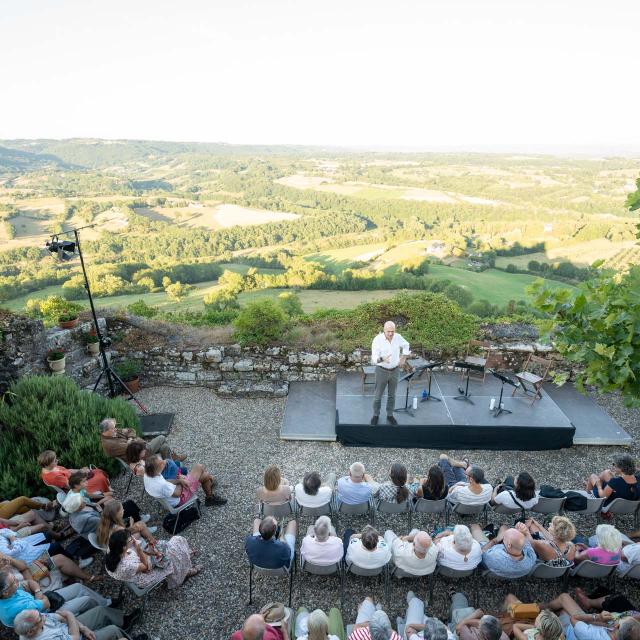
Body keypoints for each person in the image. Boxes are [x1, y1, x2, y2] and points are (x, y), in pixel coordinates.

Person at [0, 569, 113, 627]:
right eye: (14, 582)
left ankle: (106, 604)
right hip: (48, 616)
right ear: (5, 592)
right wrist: (38, 592)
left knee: (78, 587)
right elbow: (47, 604)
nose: (17, 582)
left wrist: (38, 593)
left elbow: (30, 582)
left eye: (15, 579)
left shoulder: (9, 592)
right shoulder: (16, 607)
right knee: (86, 600)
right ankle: (104, 616)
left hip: (43, 601)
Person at [105, 528, 200, 589]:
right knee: (172, 552)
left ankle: (184, 556)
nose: (134, 539)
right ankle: (184, 573)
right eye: (130, 539)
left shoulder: (112, 550)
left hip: (137, 568)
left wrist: (148, 552)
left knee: (169, 547)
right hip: (145, 577)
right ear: (123, 547)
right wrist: (138, 549)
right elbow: (146, 567)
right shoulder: (126, 566)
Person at [545, 592, 640, 640]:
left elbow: (574, 618)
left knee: (564, 599)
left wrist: (597, 617)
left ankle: (539, 608)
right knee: (562, 608)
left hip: (572, 631)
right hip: (586, 628)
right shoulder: (621, 633)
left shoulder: (593, 635)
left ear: (617, 626)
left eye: (621, 618)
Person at [13, 606, 148, 640]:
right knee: (112, 630)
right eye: (40, 619)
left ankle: (124, 622)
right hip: (75, 636)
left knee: (100, 611)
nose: (44, 616)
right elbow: (74, 638)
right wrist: (70, 615)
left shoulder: (34, 618)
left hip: (71, 628)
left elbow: (61, 618)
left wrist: (83, 627)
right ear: (31, 631)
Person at [143, 454, 226, 508]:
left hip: (172, 494)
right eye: (162, 463)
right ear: (158, 469)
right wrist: (180, 480)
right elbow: (177, 494)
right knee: (200, 467)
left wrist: (179, 480)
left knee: (205, 476)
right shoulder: (161, 484)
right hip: (180, 499)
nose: (165, 461)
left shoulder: (148, 475)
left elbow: (166, 481)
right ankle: (210, 496)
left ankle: (210, 494)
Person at [370, 320, 410, 426]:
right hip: (381, 371)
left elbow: (406, 345)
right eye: (388, 331)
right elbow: (374, 359)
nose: (391, 334)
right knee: (378, 396)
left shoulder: (398, 337)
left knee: (392, 395)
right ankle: (375, 415)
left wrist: (403, 357)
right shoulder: (377, 340)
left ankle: (390, 415)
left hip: (395, 370)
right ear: (384, 330)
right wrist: (382, 358)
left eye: (393, 331)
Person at [99, 417, 183, 461]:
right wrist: (131, 440)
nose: (116, 429)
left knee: (164, 447)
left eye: (115, 427)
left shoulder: (113, 432)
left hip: (142, 446)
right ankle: (172, 460)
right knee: (161, 437)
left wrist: (130, 437)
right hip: (139, 454)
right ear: (106, 431)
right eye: (113, 428)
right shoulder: (109, 444)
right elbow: (131, 447)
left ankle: (171, 465)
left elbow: (131, 430)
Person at [37, 451, 111, 497]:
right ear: (47, 464)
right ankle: (104, 493)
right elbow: (71, 487)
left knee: (98, 471)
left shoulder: (49, 468)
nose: (57, 460)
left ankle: (105, 489)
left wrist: (80, 470)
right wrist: (82, 479)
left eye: (56, 458)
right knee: (100, 478)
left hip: (76, 479)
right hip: (77, 486)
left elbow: (68, 470)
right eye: (54, 460)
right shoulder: (55, 477)